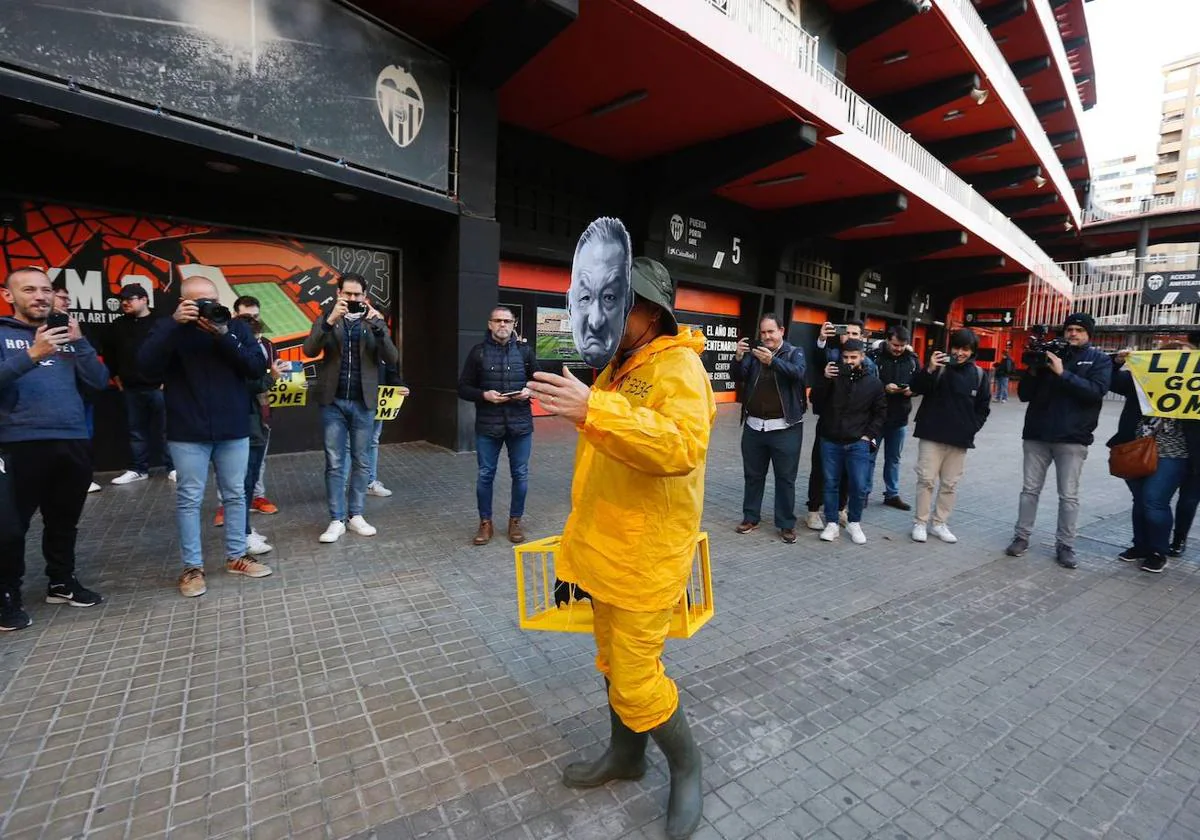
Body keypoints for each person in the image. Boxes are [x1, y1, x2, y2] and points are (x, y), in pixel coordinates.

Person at [527, 257, 714, 840]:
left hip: (645, 557)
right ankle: (626, 756)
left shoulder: (679, 367)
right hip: (603, 548)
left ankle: (687, 768)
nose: (600, 310)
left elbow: (683, 447)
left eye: (616, 301)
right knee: (610, 664)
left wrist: (594, 409)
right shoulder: (617, 366)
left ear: (650, 309)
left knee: (636, 679)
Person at [139, 276, 272, 597]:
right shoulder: (168, 329)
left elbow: (256, 367)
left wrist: (225, 335)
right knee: (189, 500)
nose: (205, 308)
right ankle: (192, 567)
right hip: (188, 430)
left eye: (210, 301)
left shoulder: (236, 328)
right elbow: (144, 367)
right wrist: (173, 325)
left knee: (237, 495)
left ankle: (237, 556)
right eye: (197, 302)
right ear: (182, 303)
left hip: (233, 427)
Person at [0, 267, 108, 630]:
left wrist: (79, 342)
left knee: (63, 521)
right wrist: (33, 353)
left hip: (71, 438)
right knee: (10, 528)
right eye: (28, 289)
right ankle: (6, 595)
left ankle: (61, 582)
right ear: (9, 296)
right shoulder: (2, 332)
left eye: (45, 290)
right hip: (17, 443)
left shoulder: (68, 336)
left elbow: (98, 382)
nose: (40, 296)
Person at [1006, 313, 1113, 569]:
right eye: (1069, 329)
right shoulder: (1048, 354)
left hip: (1072, 439)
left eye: (1078, 330)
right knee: (1029, 490)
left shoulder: (1098, 360)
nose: (1072, 334)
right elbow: (1024, 396)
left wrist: (1062, 373)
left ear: (1089, 334)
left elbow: (1095, 392)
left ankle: (1065, 545)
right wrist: (1032, 370)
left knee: (1068, 496)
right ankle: (1021, 537)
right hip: (1037, 435)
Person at [303, 273, 399, 544]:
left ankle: (356, 515)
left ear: (365, 296)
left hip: (364, 402)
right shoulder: (326, 318)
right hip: (332, 402)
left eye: (358, 295)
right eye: (348, 294)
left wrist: (378, 326)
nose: (353, 299)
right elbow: (309, 349)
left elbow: (392, 357)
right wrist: (331, 320)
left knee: (362, 460)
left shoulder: (375, 322)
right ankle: (336, 519)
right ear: (339, 294)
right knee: (334, 462)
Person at [1109, 343, 1199, 574]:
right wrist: (1117, 362)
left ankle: (1158, 551)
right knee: (1140, 500)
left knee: (1153, 500)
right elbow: (1112, 382)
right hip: (1136, 449)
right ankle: (1140, 546)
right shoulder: (1140, 379)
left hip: (1174, 453)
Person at [457, 306, 537, 545]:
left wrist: (528, 390)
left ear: (513, 325)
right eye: (498, 321)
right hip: (488, 425)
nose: (502, 325)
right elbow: (463, 388)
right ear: (490, 324)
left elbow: (538, 379)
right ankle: (485, 523)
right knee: (485, 475)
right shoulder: (477, 353)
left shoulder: (525, 352)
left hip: (520, 424)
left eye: (507, 321)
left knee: (520, 474)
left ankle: (515, 522)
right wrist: (484, 395)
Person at [908, 329, 991, 544]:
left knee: (949, 484)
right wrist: (929, 368)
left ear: (972, 351)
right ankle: (920, 522)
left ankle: (939, 523)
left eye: (965, 349)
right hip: (931, 434)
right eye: (957, 348)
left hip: (960, 439)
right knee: (925, 480)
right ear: (950, 347)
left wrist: (972, 428)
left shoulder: (980, 375)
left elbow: (983, 407)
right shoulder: (939, 368)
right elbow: (916, 388)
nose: (960, 353)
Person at [213, 296, 286, 539]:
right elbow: (247, 382)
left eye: (255, 317)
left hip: (260, 416)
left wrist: (275, 375)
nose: (251, 321)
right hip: (237, 418)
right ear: (234, 315)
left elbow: (263, 378)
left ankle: (249, 517)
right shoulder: (226, 343)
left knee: (254, 468)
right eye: (246, 317)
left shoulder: (265, 343)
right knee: (234, 475)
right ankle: (239, 530)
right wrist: (269, 377)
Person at [732, 313, 807, 543]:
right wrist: (738, 357)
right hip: (755, 426)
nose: (767, 337)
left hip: (786, 428)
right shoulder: (754, 355)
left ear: (781, 331)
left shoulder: (795, 352)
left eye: (771, 332)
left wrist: (772, 362)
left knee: (785, 478)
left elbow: (799, 374)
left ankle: (786, 524)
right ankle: (750, 517)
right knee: (753, 475)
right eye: (763, 333)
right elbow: (737, 377)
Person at [804, 320, 877, 530]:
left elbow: (876, 399)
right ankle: (813, 509)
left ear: (862, 338)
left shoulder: (869, 366)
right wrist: (821, 340)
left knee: (847, 471)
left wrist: (869, 432)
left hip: (855, 429)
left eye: (856, 334)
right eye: (848, 333)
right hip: (829, 426)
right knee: (820, 469)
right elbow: (817, 362)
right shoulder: (833, 358)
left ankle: (840, 510)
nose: (851, 337)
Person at [815, 338, 886, 544]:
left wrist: (868, 436)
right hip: (830, 439)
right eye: (845, 357)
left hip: (858, 442)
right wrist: (825, 379)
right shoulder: (833, 376)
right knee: (830, 483)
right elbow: (816, 404)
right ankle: (831, 523)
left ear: (862, 357)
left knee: (858, 485)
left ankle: (854, 522)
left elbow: (880, 413)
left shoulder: (873, 383)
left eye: (853, 357)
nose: (849, 361)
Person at [103, 284, 174, 485]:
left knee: (167, 430)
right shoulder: (117, 325)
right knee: (136, 431)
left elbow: (171, 352)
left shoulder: (161, 322)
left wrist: (166, 380)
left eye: (130, 298)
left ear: (144, 299)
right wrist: (116, 378)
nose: (124, 302)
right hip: (130, 388)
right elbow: (109, 355)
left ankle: (173, 467)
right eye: (122, 299)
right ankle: (138, 469)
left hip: (159, 387)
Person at [52, 285, 103, 494]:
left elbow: (95, 363)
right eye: (61, 297)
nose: (65, 302)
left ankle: (83, 477)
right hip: (50, 398)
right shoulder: (32, 329)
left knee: (83, 439)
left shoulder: (77, 326)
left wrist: (78, 338)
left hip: (81, 394)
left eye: (67, 298)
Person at [568, 219, 633, 369]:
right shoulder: (614, 371)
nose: (595, 321)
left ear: (628, 303)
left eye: (609, 297)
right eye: (585, 297)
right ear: (569, 305)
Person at [867, 325, 919, 510]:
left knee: (893, 458)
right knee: (869, 457)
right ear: (888, 340)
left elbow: (918, 384)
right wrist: (883, 388)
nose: (898, 349)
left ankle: (892, 494)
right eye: (895, 344)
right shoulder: (874, 357)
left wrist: (911, 391)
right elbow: (866, 382)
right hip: (875, 418)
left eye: (902, 345)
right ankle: (863, 493)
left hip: (899, 418)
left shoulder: (912, 360)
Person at [365, 359, 405, 498]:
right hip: (359, 399)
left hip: (378, 400)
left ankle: (369, 482)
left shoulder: (381, 343)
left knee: (372, 441)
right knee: (349, 444)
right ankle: (347, 484)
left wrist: (399, 386)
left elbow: (390, 371)